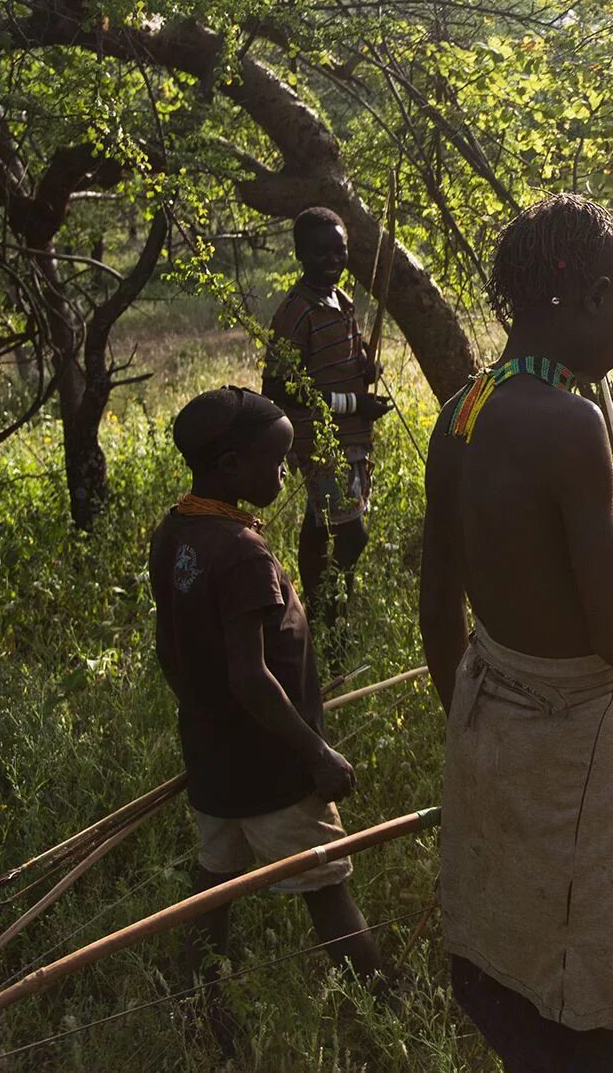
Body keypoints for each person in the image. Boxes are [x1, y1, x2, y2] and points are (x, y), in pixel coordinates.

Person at [420, 193, 613, 1073]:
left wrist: (479, 732)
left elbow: (437, 608)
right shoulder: (568, 421)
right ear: (591, 297)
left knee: (521, 956)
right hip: (585, 750)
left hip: (495, 731)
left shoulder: (464, 411)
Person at [146, 386, 383, 1045]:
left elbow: (173, 650)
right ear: (228, 465)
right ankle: (389, 1014)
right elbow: (250, 677)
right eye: (275, 463)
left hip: (213, 762)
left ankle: (198, 1008)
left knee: (214, 886)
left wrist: (203, 720)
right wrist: (316, 753)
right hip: (273, 768)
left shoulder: (175, 532)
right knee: (327, 887)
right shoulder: (243, 554)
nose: (286, 474)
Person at [264, 205, 392, 666]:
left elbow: (349, 364)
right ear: (300, 254)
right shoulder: (295, 313)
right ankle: (322, 608)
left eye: (340, 250)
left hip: (353, 439)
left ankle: (330, 625)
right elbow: (279, 389)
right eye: (321, 252)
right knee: (350, 534)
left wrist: (365, 368)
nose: (333, 260)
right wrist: (355, 404)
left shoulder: (344, 303)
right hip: (319, 440)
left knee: (325, 527)